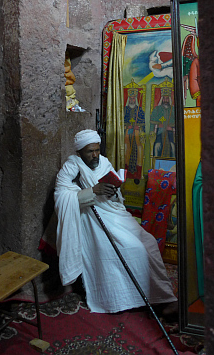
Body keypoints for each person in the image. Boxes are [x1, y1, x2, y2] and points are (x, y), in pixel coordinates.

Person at [54, 129, 178, 319]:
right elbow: (61, 197)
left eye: (96, 150)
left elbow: (116, 193)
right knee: (134, 248)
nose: (95, 155)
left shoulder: (104, 162)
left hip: (113, 212)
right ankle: (128, 298)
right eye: (90, 151)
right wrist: (92, 191)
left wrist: (113, 192)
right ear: (79, 152)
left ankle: (163, 296)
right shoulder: (72, 166)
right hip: (92, 218)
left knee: (150, 243)